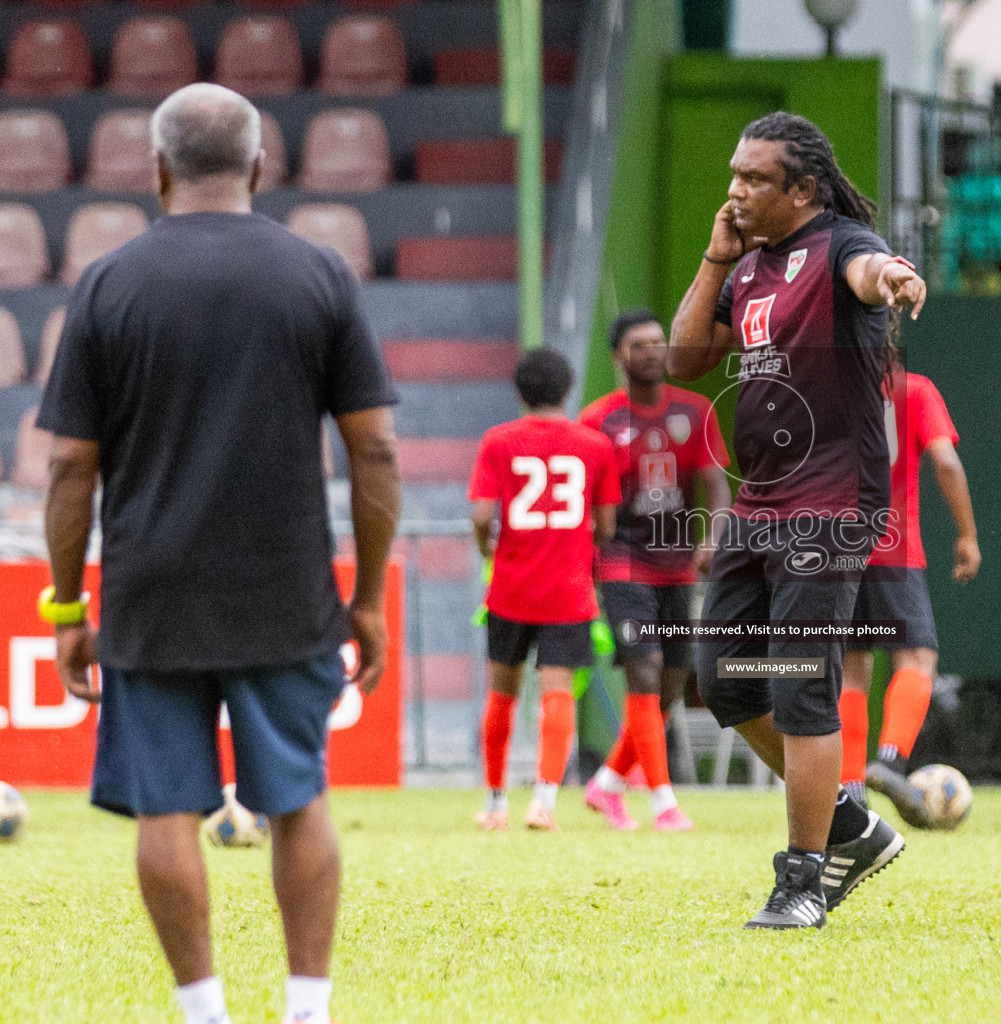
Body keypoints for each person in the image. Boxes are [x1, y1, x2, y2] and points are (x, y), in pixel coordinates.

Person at [38, 84, 400, 1024]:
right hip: (285, 588)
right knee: (297, 797)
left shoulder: (108, 283)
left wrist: (68, 608)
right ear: (259, 167)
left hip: (151, 591)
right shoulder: (320, 275)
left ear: (155, 170)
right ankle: (309, 1008)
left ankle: (205, 1013)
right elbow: (377, 450)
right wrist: (364, 598)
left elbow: (72, 463)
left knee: (166, 807)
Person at [669, 111, 928, 930]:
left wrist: (893, 278)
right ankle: (848, 822)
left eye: (754, 179)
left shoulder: (839, 244)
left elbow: (868, 271)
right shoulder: (748, 266)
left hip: (828, 501)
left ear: (803, 190)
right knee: (721, 678)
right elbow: (683, 359)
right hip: (760, 501)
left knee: (802, 688)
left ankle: (805, 878)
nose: (736, 190)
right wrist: (718, 253)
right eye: (734, 175)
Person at [578, 310, 731, 832]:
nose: (652, 351)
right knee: (642, 671)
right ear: (618, 357)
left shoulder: (695, 410)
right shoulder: (597, 420)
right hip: (621, 561)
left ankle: (606, 784)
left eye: (658, 342)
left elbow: (717, 486)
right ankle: (664, 801)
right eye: (639, 344)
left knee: (669, 686)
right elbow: (582, 502)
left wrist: (712, 538)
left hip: (678, 566)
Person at [470, 348, 620, 833]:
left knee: (502, 694)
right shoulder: (595, 446)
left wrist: (489, 553)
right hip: (568, 591)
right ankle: (544, 804)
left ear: (519, 391)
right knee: (556, 695)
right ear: (569, 386)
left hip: (511, 589)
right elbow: (607, 525)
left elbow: (479, 515)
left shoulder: (498, 441)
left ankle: (495, 804)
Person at [841, 362, 980, 826]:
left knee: (850, 672)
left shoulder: (815, 388)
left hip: (827, 553)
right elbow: (945, 460)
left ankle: (850, 792)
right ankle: (890, 760)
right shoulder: (915, 390)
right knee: (917, 659)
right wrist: (966, 535)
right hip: (892, 549)